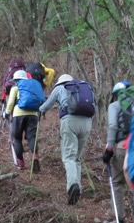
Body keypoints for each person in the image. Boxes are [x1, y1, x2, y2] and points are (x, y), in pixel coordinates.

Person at [39, 73, 96, 205]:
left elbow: (47, 104)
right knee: (77, 157)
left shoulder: (59, 88)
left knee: (69, 157)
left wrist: (40, 110)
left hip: (69, 121)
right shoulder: (84, 89)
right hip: (87, 123)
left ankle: (73, 185)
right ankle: (78, 190)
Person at [100, 80, 133, 223]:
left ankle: (117, 222)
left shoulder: (115, 105)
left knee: (117, 182)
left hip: (122, 147)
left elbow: (113, 125)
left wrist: (108, 148)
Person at [5, 70, 44, 172]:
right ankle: (35, 156)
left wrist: (7, 112)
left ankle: (20, 162)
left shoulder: (16, 87)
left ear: (16, 79)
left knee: (16, 138)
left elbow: (10, 103)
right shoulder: (33, 87)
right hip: (33, 114)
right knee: (32, 137)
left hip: (19, 114)